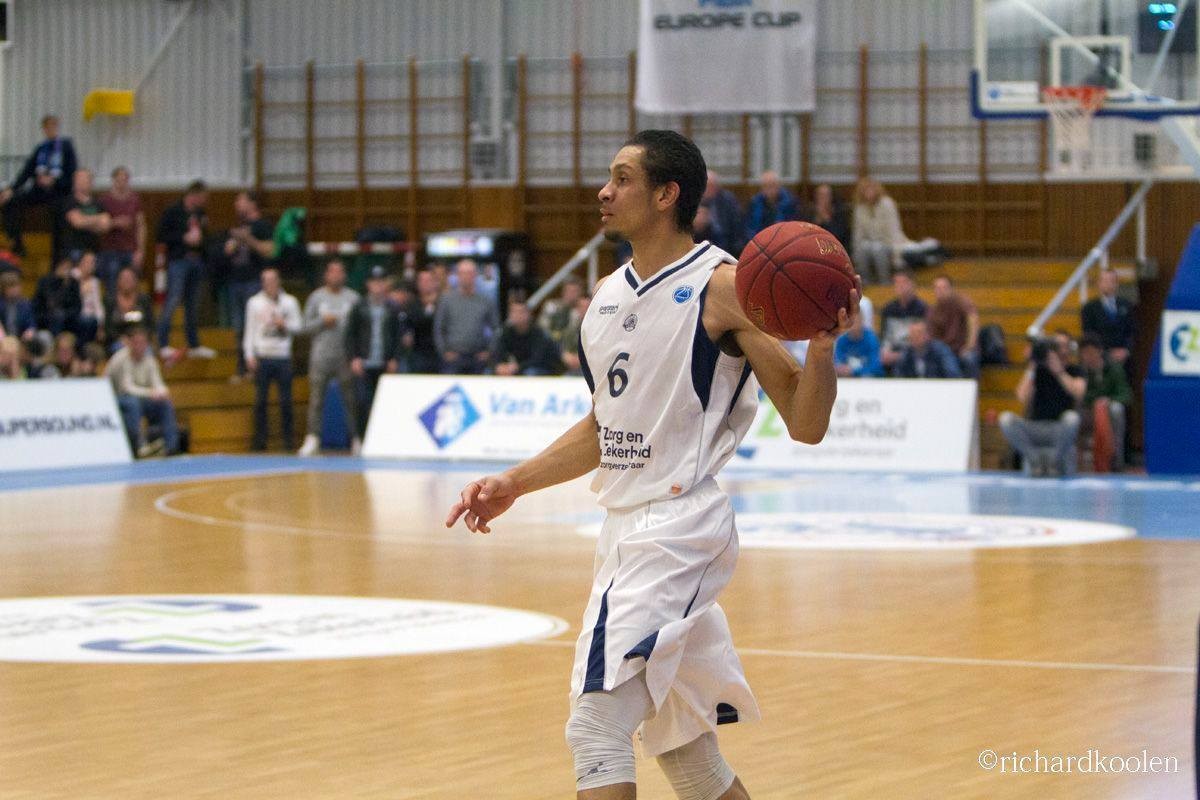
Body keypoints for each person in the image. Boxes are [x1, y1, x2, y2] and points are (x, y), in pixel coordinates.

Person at [445, 129, 858, 799]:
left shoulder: (725, 287)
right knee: (690, 758)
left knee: (596, 728)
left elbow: (806, 424)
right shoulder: (604, 300)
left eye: (622, 178)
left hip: (676, 526)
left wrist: (821, 348)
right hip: (624, 530)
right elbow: (603, 428)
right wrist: (514, 482)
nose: (604, 191)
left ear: (667, 195)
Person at [299, 259, 361, 456]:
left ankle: (355, 438)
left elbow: (360, 329)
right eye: (332, 272)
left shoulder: (353, 298)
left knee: (351, 399)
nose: (336, 275)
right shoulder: (316, 297)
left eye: (339, 272)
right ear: (326, 275)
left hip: (345, 356)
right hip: (320, 355)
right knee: (316, 399)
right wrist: (322, 322)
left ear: (344, 275)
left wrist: (356, 354)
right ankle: (312, 437)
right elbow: (304, 327)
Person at [999, 335, 1085, 477]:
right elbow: (1021, 396)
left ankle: (1054, 460)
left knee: (1072, 418)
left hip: (1058, 428)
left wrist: (1059, 372)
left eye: (1064, 346)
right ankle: (1034, 459)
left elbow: (1078, 393)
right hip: (1034, 427)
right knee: (1006, 419)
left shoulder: (1074, 370)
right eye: (1057, 346)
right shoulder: (1038, 371)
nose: (1061, 350)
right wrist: (1032, 367)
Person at [0, 115, 77, 258]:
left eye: (53, 126)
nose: (50, 129)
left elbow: (71, 173)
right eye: (47, 127)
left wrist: (53, 181)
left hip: (59, 192)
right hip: (39, 191)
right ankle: (17, 244)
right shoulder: (41, 149)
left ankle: (58, 258)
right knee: (10, 201)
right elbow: (27, 172)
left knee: (61, 215)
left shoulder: (66, 147)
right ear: (44, 129)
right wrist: (11, 189)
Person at [243, 268, 302, 452]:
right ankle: (260, 442)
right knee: (260, 401)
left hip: (283, 356)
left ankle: (288, 442)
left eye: (272, 280)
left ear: (278, 281)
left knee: (286, 401)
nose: (270, 284)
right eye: (266, 281)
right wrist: (249, 354)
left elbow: (299, 327)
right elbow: (250, 329)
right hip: (263, 356)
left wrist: (284, 325)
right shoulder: (254, 302)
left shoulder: (290, 302)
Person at [156, 180, 215, 360]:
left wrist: (201, 240)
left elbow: (207, 237)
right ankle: (163, 343)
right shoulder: (173, 212)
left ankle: (193, 343)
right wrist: (183, 238)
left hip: (196, 260)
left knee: (193, 304)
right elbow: (161, 235)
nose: (204, 202)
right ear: (193, 195)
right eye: (202, 197)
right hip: (179, 261)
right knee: (173, 299)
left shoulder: (200, 214)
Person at [346, 265, 404, 437]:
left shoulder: (392, 308)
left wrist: (394, 358)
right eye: (374, 282)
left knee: (385, 402)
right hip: (364, 362)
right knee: (362, 401)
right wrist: (353, 358)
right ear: (368, 284)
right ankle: (361, 437)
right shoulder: (359, 306)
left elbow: (397, 335)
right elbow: (350, 334)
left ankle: (382, 437)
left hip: (384, 362)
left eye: (381, 282)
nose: (378, 286)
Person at [223, 191, 276, 381]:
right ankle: (242, 368)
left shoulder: (262, 226)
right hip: (236, 281)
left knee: (254, 326)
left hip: (253, 281)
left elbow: (269, 249)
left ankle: (256, 369)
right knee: (239, 328)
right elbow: (228, 251)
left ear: (252, 203)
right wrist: (233, 244)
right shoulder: (240, 227)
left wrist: (248, 239)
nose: (237, 204)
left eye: (241, 200)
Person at [105, 326, 180, 457]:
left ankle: (171, 447)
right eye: (136, 342)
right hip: (116, 398)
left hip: (141, 398)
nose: (139, 346)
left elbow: (157, 382)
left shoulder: (150, 360)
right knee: (132, 403)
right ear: (129, 343)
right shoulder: (121, 359)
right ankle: (139, 446)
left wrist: (163, 392)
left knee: (165, 403)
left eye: (143, 342)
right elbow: (127, 388)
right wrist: (151, 393)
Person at [851, 178, 943, 284]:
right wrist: (855, 253)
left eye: (871, 189)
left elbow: (894, 230)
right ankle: (865, 283)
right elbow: (858, 234)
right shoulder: (860, 208)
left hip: (888, 243)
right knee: (862, 250)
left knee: (878, 251)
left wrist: (896, 255)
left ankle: (884, 282)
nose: (869, 193)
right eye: (866, 190)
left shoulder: (887, 204)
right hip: (869, 244)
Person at [433, 259, 499, 375]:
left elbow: (496, 328)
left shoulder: (486, 301)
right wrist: (443, 351)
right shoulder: (446, 300)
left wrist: (490, 351)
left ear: (475, 275)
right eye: (462, 273)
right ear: (457, 275)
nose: (466, 277)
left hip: (478, 357)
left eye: (469, 273)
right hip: (453, 357)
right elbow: (439, 328)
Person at [1078, 334, 1132, 471]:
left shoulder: (1114, 368)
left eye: (1091, 352)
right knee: (1073, 416)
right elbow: (1080, 396)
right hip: (1087, 411)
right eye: (1085, 353)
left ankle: (1116, 461)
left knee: (1116, 409)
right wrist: (1095, 400)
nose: (1088, 357)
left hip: (1107, 412)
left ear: (1100, 351)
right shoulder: (1080, 371)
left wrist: (1108, 401)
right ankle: (1075, 462)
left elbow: (1125, 395)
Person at [96, 166, 146, 295]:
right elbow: (99, 226)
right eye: (119, 180)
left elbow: (141, 225)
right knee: (112, 284)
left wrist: (140, 250)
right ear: (113, 180)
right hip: (110, 250)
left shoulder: (134, 200)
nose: (122, 183)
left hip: (130, 249)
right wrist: (115, 223)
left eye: (125, 180)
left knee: (133, 282)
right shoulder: (104, 200)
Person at [492, 298, 562, 376]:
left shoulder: (538, 334)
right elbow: (496, 353)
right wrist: (499, 366)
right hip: (513, 368)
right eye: (514, 312)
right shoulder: (505, 333)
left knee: (530, 372)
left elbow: (537, 359)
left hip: (537, 369)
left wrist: (517, 367)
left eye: (521, 312)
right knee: (490, 372)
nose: (517, 315)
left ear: (529, 314)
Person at [927, 275, 980, 378]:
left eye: (944, 288)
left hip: (964, 347)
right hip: (945, 350)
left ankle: (968, 387)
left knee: (969, 358)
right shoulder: (932, 311)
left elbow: (973, 319)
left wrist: (970, 345)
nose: (941, 291)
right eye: (937, 288)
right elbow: (932, 338)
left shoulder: (961, 301)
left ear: (951, 289)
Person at [1080, 269, 1135, 366]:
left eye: (1112, 281)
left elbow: (1133, 331)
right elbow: (1088, 334)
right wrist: (1105, 353)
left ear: (1117, 284)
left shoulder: (1127, 305)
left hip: (1125, 358)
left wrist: (1126, 350)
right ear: (1098, 284)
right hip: (1100, 359)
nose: (1108, 284)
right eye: (1105, 281)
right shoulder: (1089, 308)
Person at [879, 269, 929, 373]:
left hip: (914, 353)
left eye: (904, 282)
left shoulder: (923, 309)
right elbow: (884, 336)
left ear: (912, 284)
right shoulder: (888, 310)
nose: (900, 286)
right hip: (892, 351)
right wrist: (885, 351)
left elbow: (924, 340)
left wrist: (901, 355)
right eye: (897, 283)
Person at [60, 170, 112, 261]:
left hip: (94, 250)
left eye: (86, 180)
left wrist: (85, 220)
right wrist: (97, 220)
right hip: (73, 251)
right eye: (80, 180)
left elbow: (106, 225)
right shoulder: (69, 202)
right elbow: (78, 223)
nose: (82, 183)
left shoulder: (98, 203)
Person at [104, 266, 155, 349]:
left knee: (147, 351)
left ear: (135, 281)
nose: (126, 281)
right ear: (118, 281)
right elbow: (108, 327)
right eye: (124, 278)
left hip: (141, 341)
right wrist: (120, 338)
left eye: (129, 278)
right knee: (121, 350)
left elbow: (150, 325)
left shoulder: (144, 299)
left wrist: (140, 339)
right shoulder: (110, 300)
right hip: (117, 341)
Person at [893, 320, 961, 378]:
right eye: (912, 335)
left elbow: (953, 374)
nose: (915, 337)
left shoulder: (940, 351)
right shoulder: (906, 354)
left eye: (919, 334)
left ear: (927, 335)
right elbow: (898, 376)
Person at [33, 256, 81, 337]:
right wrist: (63, 285)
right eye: (63, 266)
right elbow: (49, 302)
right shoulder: (45, 281)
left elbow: (77, 306)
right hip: (46, 316)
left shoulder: (73, 283)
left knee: (88, 321)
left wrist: (66, 284)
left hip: (68, 316)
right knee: (57, 316)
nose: (66, 270)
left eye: (68, 267)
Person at [743, 170, 797, 241]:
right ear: (761, 188)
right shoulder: (754, 203)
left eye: (772, 185)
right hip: (760, 241)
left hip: (783, 241)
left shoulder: (790, 203)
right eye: (765, 186)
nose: (769, 189)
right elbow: (749, 228)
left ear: (779, 186)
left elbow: (794, 228)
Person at [699, 170, 744, 255]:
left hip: (726, 243)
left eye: (712, 186)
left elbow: (737, 225)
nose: (709, 189)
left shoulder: (728, 200)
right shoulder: (694, 201)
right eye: (706, 186)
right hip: (702, 243)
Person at [408, 269, 442, 373]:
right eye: (422, 280)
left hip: (440, 352)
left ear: (435, 283)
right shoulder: (411, 304)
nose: (425, 283)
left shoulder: (444, 303)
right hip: (418, 353)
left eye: (428, 280)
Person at [801, 184, 851, 250]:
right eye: (820, 195)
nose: (823, 198)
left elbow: (839, 236)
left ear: (831, 197)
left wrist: (826, 219)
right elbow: (805, 235)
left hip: (834, 248)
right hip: (812, 247)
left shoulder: (840, 213)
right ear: (815, 197)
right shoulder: (808, 212)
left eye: (826, 195)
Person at [834, 313, 883, 377]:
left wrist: (854, 371)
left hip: (866, 379)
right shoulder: (841, 339)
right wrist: (840, 368)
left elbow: (876, 366)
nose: (854, 326)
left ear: (862, 322)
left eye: (856, 322)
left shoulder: (871, 339)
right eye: (851, 322)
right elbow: (836, 361)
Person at [73, 251, 104, 346]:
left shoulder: (95, 282)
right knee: (87, 321)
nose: (91, 265)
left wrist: (101, 325)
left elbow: (98, 305)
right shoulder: (72, 277)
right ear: (80, 262)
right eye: (88, 261)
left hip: (91, 319)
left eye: (93, 262)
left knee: (92, 321)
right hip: (75, 315)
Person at [0, 272, 36, 342]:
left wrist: (30, 330)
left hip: (21, 338)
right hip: (3, 338)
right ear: (3, 289)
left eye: (16, 286)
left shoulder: (25, 304)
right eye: (11, 287)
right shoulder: (1, 303)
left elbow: (31, 323)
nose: (14, 290)